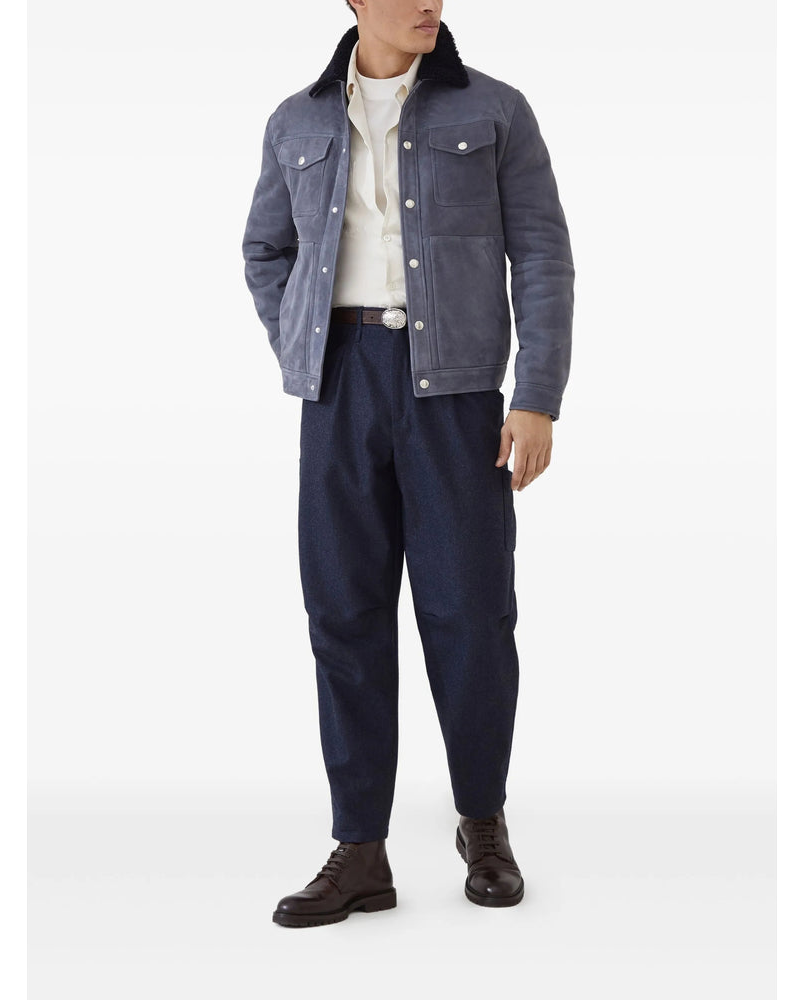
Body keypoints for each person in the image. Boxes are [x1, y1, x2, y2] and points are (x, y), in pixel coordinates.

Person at [242, 0, 574, 928]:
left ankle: (483, 820)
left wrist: (537, 394)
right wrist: (300, 344)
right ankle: (361, 851)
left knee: (471, 611)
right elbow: (265, 249)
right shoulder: (296, 121)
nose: (430, 2)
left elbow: (542, 254)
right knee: (342, 614)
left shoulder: (494, 109)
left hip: (457, 391)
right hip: (338, 385)